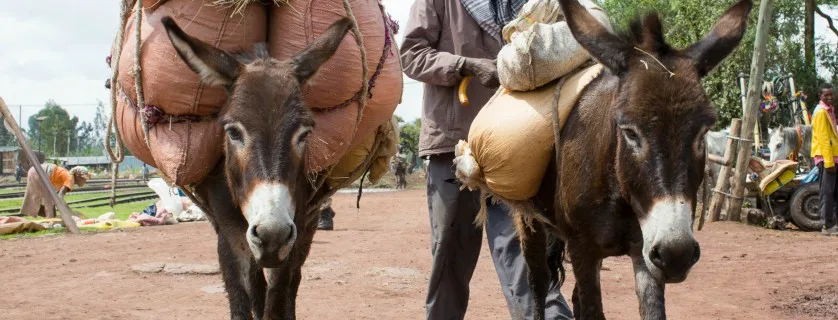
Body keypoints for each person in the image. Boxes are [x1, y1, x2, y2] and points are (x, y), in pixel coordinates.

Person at [400, 1, 573, 319]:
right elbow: (411, 55)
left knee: (525, 248)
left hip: (516, 143)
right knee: (450, 253)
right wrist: (466, 65)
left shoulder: (531, 5)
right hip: (453, 143)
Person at [811, 83, 838, 236]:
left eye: (831, 94)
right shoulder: (821, 112)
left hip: (834, 157)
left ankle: (833, 224)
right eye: (826, 95)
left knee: (834, 192)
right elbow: (823, 138)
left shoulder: (829, 110)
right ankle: (827, 225)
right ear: (820, 96)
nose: (829, 97)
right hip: (826, 158)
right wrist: (828, 162)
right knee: (827, 192)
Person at [19, 164, 90, 218]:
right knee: (48, 202)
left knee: (49, 202)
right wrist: (70, 212)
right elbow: (60, 197)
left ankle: (51, 218)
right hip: (39, 172)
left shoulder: (68, 176)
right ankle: (50, 221)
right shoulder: (70, 179)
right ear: (78, 176)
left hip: (37, 170)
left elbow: (56, 197)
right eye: (84, 179)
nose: (85, 181)